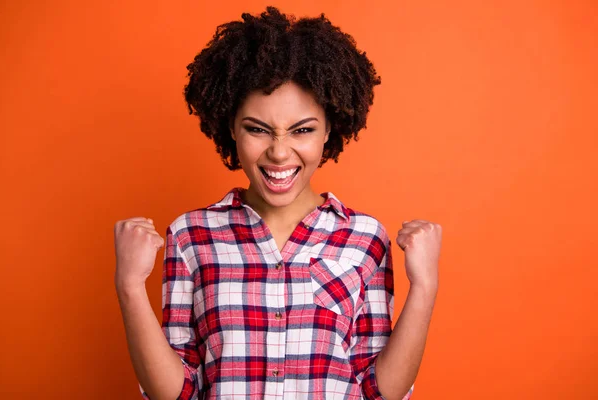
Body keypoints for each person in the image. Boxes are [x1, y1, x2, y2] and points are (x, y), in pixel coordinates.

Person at [114, 6, 441, 400]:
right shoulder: (189, 237)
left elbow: (379, 390)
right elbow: (177, 391)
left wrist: (424, 286)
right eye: (258, 129)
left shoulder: (365, 238)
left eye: (302, 130)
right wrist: (130, 286)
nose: (280, 152)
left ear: (329, 131)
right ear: (231, 126)